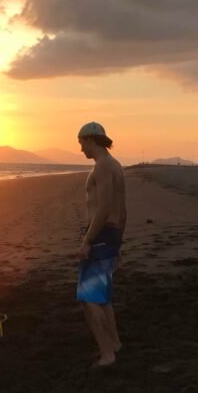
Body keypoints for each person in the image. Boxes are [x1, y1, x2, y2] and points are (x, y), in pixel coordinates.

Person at [77, 121, 127, 368]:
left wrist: (88, 240)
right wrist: (119, 244)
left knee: (88, 298)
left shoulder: (104, 166)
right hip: (111, 236)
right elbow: (123, 209)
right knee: (103, 296)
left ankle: (107, 354)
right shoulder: (115, 165)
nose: (80, 149)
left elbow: (105, 206)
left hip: (101, 236)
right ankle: (115, 343)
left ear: (90, 139)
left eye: (81, 143)